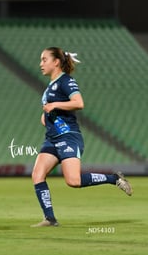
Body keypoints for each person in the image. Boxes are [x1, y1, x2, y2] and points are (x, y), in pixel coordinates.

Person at [31, 47, 132, 227]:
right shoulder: (49, 87)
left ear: (56, 62)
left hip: (68, 136)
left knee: (73, 181)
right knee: (38, 174)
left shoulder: (66, 81)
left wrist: (54, 105)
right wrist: (47, 116)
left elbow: (79, 102)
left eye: (44, 59)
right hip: (52, 139)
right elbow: (50, 112)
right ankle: (50, 219)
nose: (41, 64)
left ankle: (114, 179)